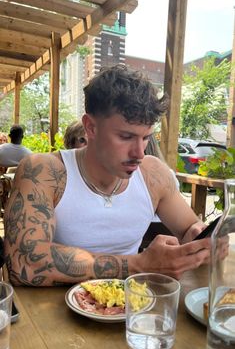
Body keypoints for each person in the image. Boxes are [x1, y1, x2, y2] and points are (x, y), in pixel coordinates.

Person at [4, 65, 210, 287]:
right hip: (49, 315)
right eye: (126, 137)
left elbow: (190, 229)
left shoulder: (154, 174)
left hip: (130, 308)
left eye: (146, 138)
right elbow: (22, 262)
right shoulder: (44, 171)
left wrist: (199, 241)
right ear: (90, 128)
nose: (139, 153)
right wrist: (139, 264)